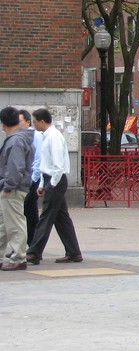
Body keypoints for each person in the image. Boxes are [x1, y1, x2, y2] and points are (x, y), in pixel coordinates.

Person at [24, 108, 83, 265]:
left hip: (55, 179)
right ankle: (73, 252)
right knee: (61, 217)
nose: (34, 124)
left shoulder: (54, 138)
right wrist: (43, 183)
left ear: (42, 121)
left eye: (35, 121)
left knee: (46, 216)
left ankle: (34, 252)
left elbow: (57, 165)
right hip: (50, 178)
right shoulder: (47, 137)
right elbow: (46, 164)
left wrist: (52, 184)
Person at [0, 106, 35, 271]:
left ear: (3, 123)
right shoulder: (20, 138)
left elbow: (15, 166)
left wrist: (8, 186)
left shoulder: (15, 141)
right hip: (14, 186)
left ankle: (19, 257)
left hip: (13, 188)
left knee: (14, 223)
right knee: (5, 223)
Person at [19, 109, 41, 245]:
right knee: (30, 211)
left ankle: (31, 243)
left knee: (27, 211)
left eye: (20, 120)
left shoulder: (35, 136)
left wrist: (33, 179)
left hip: (33, 178)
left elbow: (38, 158)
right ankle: (33, 243)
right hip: (26, 178)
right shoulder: (20, 136)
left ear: (28, 122)